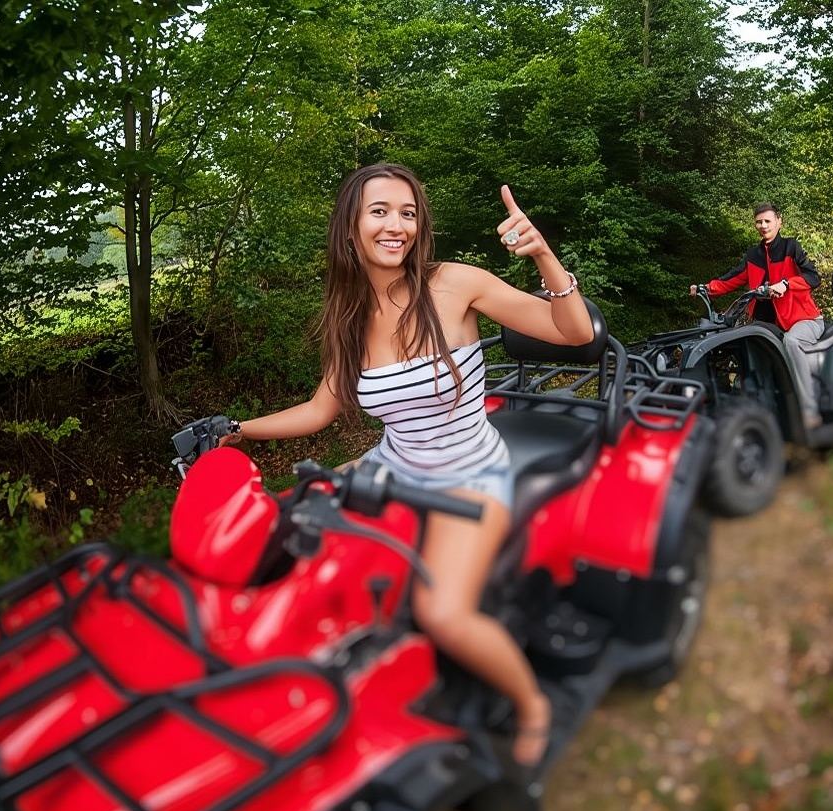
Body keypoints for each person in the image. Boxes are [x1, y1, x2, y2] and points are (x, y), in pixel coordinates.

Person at [215, 163, 594, 766]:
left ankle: (532, 704)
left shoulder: (455, 284)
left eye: (408, 213)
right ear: (351, 227)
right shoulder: (347, 313)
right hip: (393, 464)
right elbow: (321, 408)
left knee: (443, 613)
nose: (397, 225)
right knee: (292, 541)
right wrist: (235, 431)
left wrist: (545, 257)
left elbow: (570, 333)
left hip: (468, 474)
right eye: (380, 211)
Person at [691, 203, 825, 428]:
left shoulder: (791, 248)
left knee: (792, 341)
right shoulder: (754, 256)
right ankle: (763, 411)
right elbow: (731, 279)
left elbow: (814, 277)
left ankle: (809, 410)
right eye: (758, 222)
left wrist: (786, 284)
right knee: (748, 344)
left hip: (804, 320)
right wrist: (705, 288)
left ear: (779, 222)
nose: (763, 226)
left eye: (767, 221)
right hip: (769, 325)